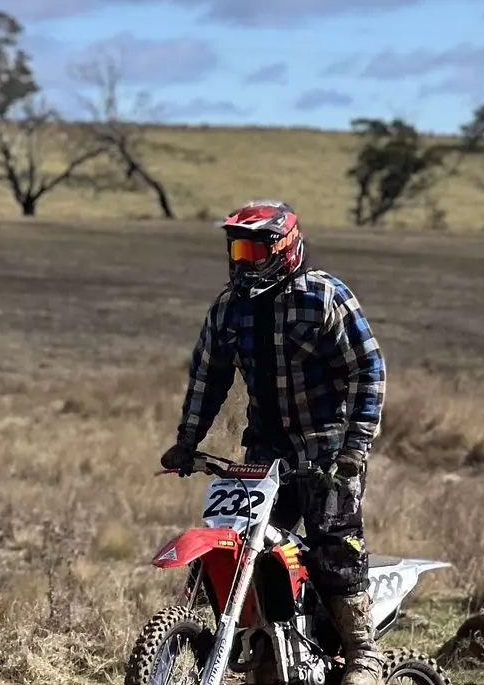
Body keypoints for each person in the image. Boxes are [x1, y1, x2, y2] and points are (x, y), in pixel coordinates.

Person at [160, 199, 387, 685]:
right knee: (248, 548)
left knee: (334, 548)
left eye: (253, 251)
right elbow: (207, 377)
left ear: (284, 249)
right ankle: (265, 650)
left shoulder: (325, 297)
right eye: (236, 250)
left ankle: (362, 652)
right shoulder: (228, 309)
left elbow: (368, 369)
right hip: (265, 455)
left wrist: (355, 447)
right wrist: (187, 441)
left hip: (328, 453)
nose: (243, 262)